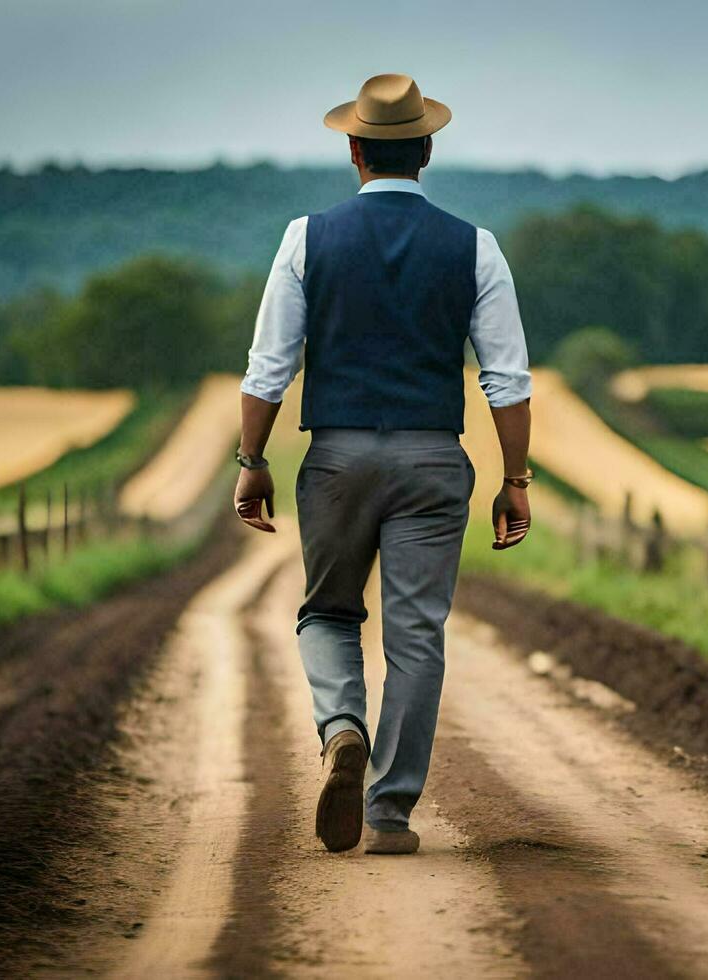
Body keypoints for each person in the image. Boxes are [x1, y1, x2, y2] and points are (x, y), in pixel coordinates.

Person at [233, 73, 533, 855]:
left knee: (328, 612)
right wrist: (516, 480)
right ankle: (390, 811)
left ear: (354, 151)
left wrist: (252, 459)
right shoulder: (477, 246)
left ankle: (340, 730)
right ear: (426, 149)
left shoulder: (307, 237)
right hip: (434, 460)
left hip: (335, 457)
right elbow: (506, 377)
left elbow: (270, 366)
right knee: (417, 636)